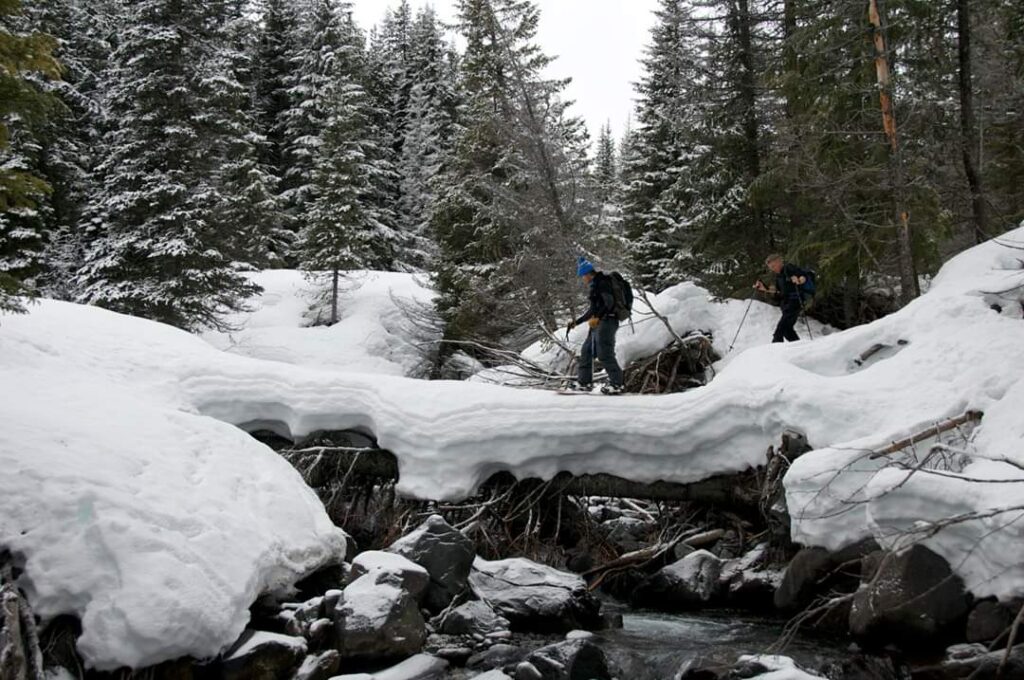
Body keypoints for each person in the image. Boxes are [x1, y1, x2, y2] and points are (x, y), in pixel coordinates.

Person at [567, 257, 625, 394]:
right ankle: (584, 383)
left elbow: (609, 303)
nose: (583, 279)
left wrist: (598, 317)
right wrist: (577, 322)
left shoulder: (602, 283)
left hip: (608, 321)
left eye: (583, 276)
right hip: (598, 322)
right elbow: (593, 309)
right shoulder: (595, 285)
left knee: (604, 353)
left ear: (588, 274)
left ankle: (617, 384)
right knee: (586, 351)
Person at [754, 254, 807, 343]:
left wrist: (799, 280)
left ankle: (775, 347)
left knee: (780, 331)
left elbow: (802, 276)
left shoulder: (788, 268)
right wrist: (764, 289)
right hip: (786, 304)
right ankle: (799, 347)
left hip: (794, 302)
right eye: (770, 267)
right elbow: (779, 293)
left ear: (779, 262)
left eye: (773, 266)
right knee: (787, 330)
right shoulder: (779, 276)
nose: (772, 269)